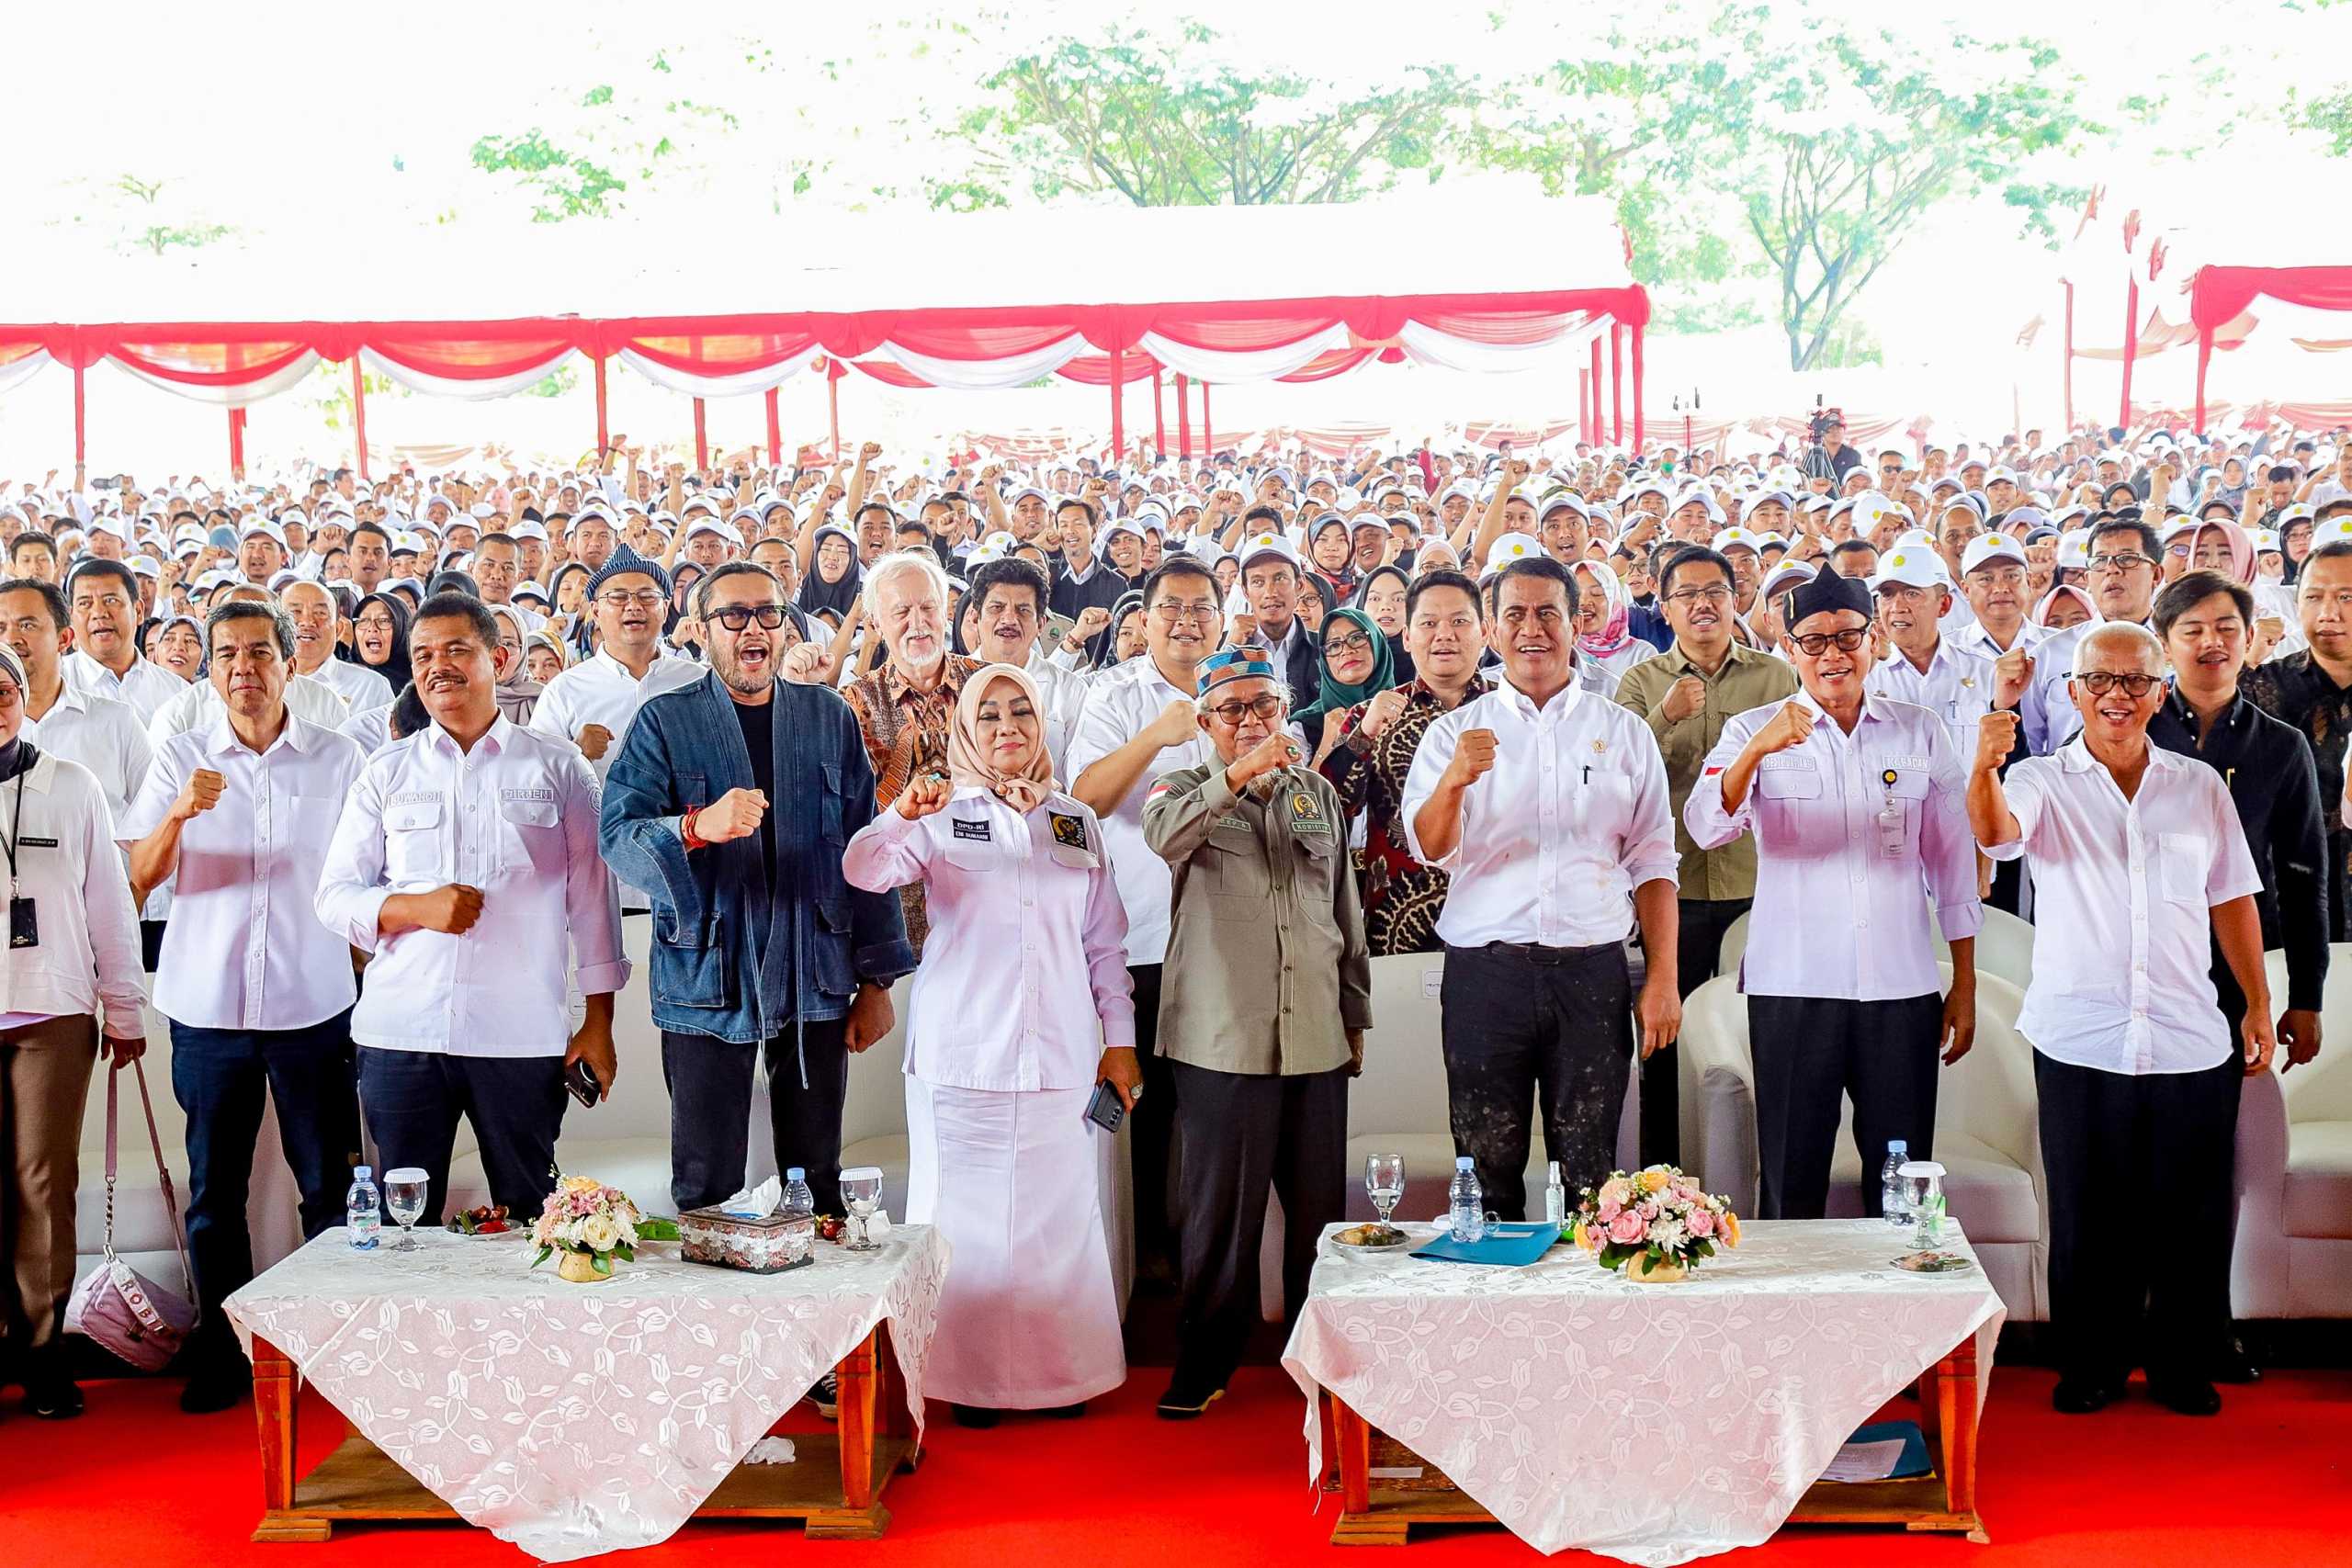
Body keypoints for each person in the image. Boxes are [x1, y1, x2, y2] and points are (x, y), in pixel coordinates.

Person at [1969, 623, 2275, 1418]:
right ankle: (2092, 1363)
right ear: (2073, 691)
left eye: (2135, 681)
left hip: (2188, 1031)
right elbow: (1996, 833)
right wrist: (1981, 763)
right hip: (2081, 1033)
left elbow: (2232, 896)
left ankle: (2181, 1362)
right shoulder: (2040, 779)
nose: (2117, 694)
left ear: (2159, 692)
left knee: (2190, 1212)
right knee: (2088, 1208)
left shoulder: (2199, 785)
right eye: (2099, 679)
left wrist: (2259, 1001)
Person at [842, 664, 1133, 1427]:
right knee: (960, 1224)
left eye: (1022, 713)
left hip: (1062, 1057)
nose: (1008, 727)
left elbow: (1106, 946)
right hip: (962, 1055)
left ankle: (1059, 1376)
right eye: (991, 714)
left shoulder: (1074, 820)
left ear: (1042, 726)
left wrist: (1121, 1043)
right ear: (968, 729)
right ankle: (964, 1380)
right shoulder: (938, 813)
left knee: (1058, 1224)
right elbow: (863, 869)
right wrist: (902, 812)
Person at [600, 562, 910, 1218]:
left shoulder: (827, 715)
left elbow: (868, 845)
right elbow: (618, 834)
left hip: (815, 972)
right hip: (707, 974)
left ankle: (827, 1316)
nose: (753, 628)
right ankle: (711, 1320)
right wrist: (695, 826)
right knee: (707, 1180)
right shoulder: (665, 720)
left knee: (817, 1177)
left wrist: (878, 981)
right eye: (733, 615)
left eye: (768, 613)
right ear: (700, 631)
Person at [119, 600, 367, 1415]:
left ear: (290, 662)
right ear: (209, 667)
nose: (243, 669)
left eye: (260, 652)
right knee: (215, 1191)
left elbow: (370, 876)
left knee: (329, 1183)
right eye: (226, 654)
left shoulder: (339, 756)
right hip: (207, 1003)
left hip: (316, 999)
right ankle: (227, 1353)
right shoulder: (179, 754)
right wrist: (180, 813)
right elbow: (138, 877)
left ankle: (333, 1345)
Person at [315, 592, 627, 1225]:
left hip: (519, 1034)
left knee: (537, 1220)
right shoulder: (386, 770)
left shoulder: (557, 766)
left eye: (458, 649)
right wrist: (412, 906)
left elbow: (594, 900)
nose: (438, 666)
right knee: (408, 1226)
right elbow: (334, 895)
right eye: (423, 654)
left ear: (500, 657)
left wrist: (599, 1022)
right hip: (401, 1033)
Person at [1686, 570, 1982, 1218]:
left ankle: (1900, 1313)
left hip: (1899, 989)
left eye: (1847, 637)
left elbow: (1955, 861)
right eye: (1813, 641)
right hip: (1793, 989)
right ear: (1788, 649)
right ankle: (1797, 1313)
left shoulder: (1919, 729)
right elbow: (1706, 826)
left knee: (1902, 1181)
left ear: (1872, 639)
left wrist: (1963, 978)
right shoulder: (1752, 730)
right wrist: (1760, 748)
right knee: (1793, 1175)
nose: (1832, 654)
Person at [1404, 557, 1681, 1217]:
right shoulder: (1453, 734)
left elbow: (1654, 862)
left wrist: (1664, 977)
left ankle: (1585, 1316)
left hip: (1592, 973)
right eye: (1516, 615)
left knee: (1591, 1175)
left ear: (1576, 622)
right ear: (1494, 631)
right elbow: (1431, 848)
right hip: (1485, 976)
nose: (1533, 629)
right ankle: (1494, 1314)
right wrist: (1454, 782)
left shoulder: (1622, 731)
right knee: (1486, 1165)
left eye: (1548, 612)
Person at [1143, 649, 1368, 1420]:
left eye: (1265, 705)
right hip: (1221, 1040)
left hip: (1314, 1035)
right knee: (1220, 1216)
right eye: (1233, 709)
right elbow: (1163, 836)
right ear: (1205, 721)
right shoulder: (1183, 788)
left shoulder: (1316, 796)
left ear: (1285, 709)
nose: (1251, 721)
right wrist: (1235, 775)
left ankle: (1320, 1365)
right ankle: (1204, 1363)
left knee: (1317, 1216)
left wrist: (1355, 1012)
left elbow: (1346, 911)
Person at [2147, 569, 2329, 1386]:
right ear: (2165, 644)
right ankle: (2121, 1332)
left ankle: (2202, 1330)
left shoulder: (2279, 746)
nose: (2212, 642)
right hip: (2131, 972)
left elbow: (2302, 876)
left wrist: (2304, 996)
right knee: (2123, 1160)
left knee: (2204, 1165)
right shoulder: (2127, 727)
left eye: (2227, 626)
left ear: (2250, 639)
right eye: (2192, 629)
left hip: (2226, 985)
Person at [0, 642, 148, 1421]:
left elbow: (109, 906)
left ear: (26, 694)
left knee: (42, 1183)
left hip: (51, 1010)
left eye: (4, 687)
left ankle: (43, 1351)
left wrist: (122, 1008)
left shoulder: (71, 784)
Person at [1067, 556, 1226, 1280]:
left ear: (1222, 619)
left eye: (1201, 607)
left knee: (1217, 1116)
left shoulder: (1247, 693)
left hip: (1228, 947)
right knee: (1143, 1116)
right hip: (1140, 941)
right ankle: (1143, 1268)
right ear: (1146, 616)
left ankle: (1207, 1266)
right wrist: (1159, 734)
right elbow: (1085, 798)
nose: (1187, 620)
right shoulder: (1112, 695)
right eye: (1172, 607)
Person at [1611, 547, 1796, 1166]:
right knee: (1670, 1037)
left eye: (1714, 590)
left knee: (1757, 1036)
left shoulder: (1775, 677)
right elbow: (1617, 775)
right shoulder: (1641, 681)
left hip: (1758, 885)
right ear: (1664, 608)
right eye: (1686, 594)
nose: (1703, 604)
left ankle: (1753, 1169)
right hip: (1674, 889)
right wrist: (1665, 717)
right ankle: (1665, 1181)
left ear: (1736, 598)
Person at [1318, 569, 1493, 956]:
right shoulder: (1372, 714)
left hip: (1501, 918)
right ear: (1407, 636)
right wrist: (1362, 734)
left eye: (1460, 621)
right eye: (1429, 623)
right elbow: (1328, 809)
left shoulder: (1516, 713)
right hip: (1397, 925)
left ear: (1485, 632)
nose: (1444, 635)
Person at [842, 551, 981, 954]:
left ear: (946, 612)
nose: (918, 623)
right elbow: (853, 819)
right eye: (901, 611)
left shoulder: (987, 687)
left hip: (986, 902)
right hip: (894, 912)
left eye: (928, 608)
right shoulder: (854, 703)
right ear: (876, 624)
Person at [2241, 538, 2352, 941]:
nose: (2328, 613)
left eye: (2346, 597)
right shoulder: (2260, 689)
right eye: (2314, 597)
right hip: (2289, 901)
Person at [63, 560, 183, 721]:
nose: (99, 612)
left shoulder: (177, 692)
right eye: (85, 604)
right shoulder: (50, 687)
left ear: (138, 611)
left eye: (111, 601)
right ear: (71, 617)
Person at [1294, 605, 1395, 761]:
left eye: (1356, 638)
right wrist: (1327, 745)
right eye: (1334, 645)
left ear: (1377, 643)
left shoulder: (1411, 709)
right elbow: (1299, 786)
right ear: (1324, 661)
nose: (1346, 650)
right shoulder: (1305, 726)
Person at [282, 579, 394, 713]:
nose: (307, 622)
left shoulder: (370, 687)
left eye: (320, 613)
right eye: (295, 612)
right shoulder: (263, 682)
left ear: (338, 629)